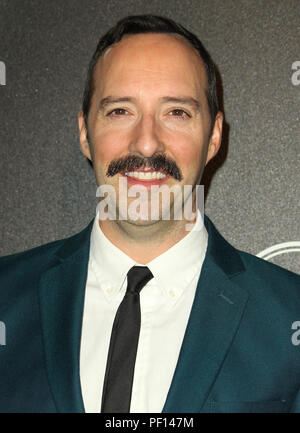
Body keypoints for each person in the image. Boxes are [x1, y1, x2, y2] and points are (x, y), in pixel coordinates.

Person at [0, 14, 300, 414]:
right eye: (120, 111)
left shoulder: (289, 316)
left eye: (176, 112)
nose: (145, 144)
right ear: (85, 134)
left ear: (213, 136)